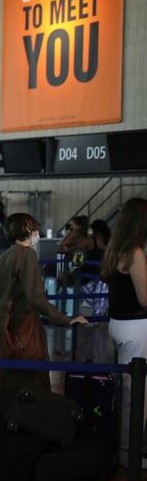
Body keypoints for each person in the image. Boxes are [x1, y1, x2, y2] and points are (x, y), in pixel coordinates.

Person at [0, 214, 87, 393]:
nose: (37, 234)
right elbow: (35, 298)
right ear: (26, 230)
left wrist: (4, 318)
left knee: (9, 384)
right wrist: (64, 319)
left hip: (5, 332)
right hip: (25, 328)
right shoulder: (28, 255)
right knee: (34, 385)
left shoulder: (5, 256)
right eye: (34, 230)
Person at [102, 198, 147, 465]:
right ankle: (129, 455)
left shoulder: (116, 250)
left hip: (118, 325)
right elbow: (145, 299)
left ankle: (124, 449)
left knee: (127, 392)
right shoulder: (136, 253)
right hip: (137, 327)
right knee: (137, 396)